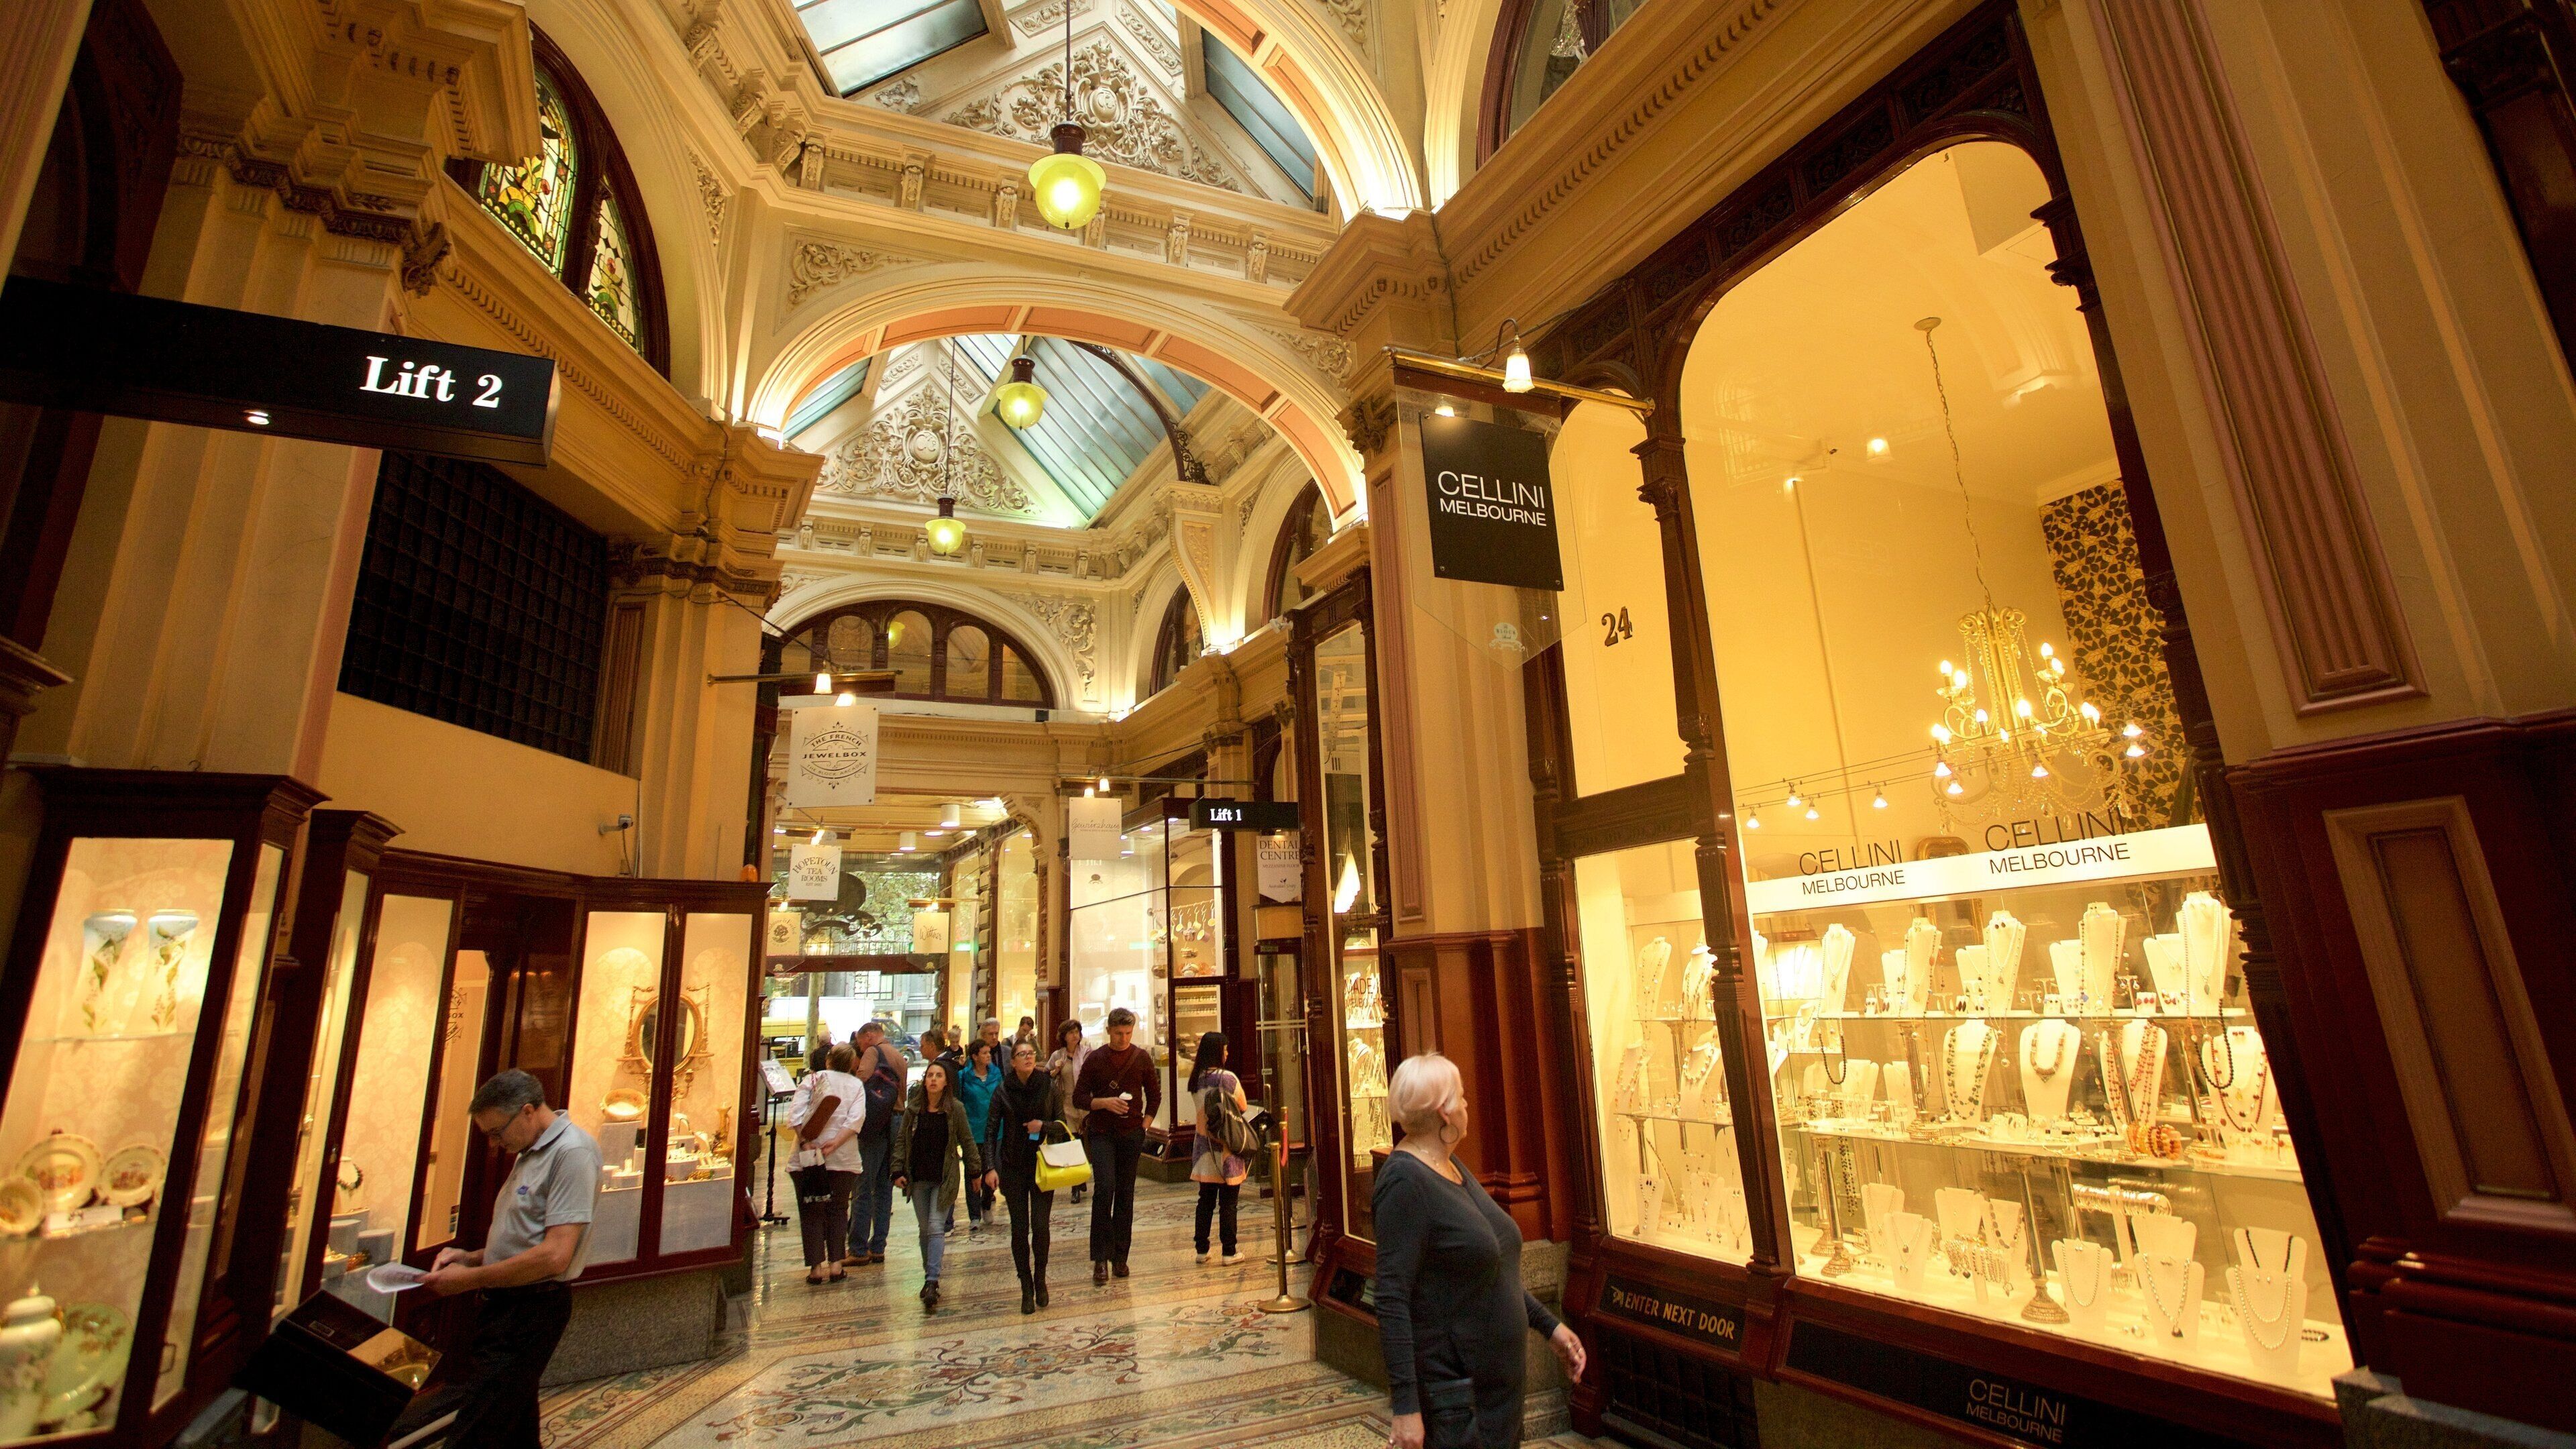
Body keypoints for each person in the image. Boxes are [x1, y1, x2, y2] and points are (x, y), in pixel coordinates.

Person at [1375, 1053, 1585, 1449]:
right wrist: (1405, 1408)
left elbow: (1490, 1271)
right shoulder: (1405, 1181)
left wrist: (1549, 1326)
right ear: (1445, 1111)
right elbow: (1391, 1297)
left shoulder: (1449, 1164)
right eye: (1462, 1097)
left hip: (1495, 1392)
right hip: (1458, 1400)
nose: (1467, 1104)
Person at [387, 1070, 600, 1449]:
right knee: (513, 1427)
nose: (494, 1143)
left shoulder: (572, 1153)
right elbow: (525, 1238)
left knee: (478, 1431)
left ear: (528, 1111)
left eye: (497, 1132)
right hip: (506, 1306)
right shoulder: (531, 1150)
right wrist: (471, 1258)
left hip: (531, 1310)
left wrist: (469, 1279)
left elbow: (555, 1255)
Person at [1071, 1006, 1159, 1283]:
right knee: (1104, 1189)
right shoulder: (1096, 1059)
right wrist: (1103, 1103)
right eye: (1119, 1033)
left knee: (1125, 1193)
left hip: (1131, 1133)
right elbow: (1079, 1097)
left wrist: (1145, 1125)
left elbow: (1154, 1095)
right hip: (1102, 1133)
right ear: (1108, 1030)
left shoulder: (1141, 1058)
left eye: (1128, 1033)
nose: (1123, 1038)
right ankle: (1100, 1258)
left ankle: (1121, 1256)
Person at [890, 1059, 981, 1313]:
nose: (933, 1080)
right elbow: (902, 1141)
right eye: (930, 1075)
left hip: (945, 1178)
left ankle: (932, 1280)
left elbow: (967, 1141)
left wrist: (975, 1170)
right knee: (924, 1229)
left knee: (935, 1226)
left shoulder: (955, 1110)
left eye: (938, 1076)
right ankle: (928, 1275)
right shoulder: (914, 1110)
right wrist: (897, 1170)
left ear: (945, 1083)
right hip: (919, 1178)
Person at [982, 1038, 1059, 1313]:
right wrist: (989, 1167)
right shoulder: (1003, 1090)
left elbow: (1061, 1124)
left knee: (1041, 1225)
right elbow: (991, 1130)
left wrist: (1043, 1125)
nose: (1028, 1057)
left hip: (1043, 1165)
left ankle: (1040, 1278)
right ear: (1013, 1062)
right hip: (1013, 1165)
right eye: (1022, 1054)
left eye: (1031, 1053)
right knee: (1019, 1228)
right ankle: (1026, 1285)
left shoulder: (1048, 1086)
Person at [788, 1044, 865, 1284]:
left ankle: (815, 1269)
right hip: (843, 1157)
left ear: (828, 1060)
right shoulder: (856, 1085)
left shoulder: (812, 1080)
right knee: (838, 1210)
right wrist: (836, 1143)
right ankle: (836, 1265)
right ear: (851, 1063)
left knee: (811, 1210)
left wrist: (806, 1142)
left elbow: (795, 1114)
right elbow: (856, 1120)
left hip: (808, 1157)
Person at [843, 1021, 903, 1267]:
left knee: (863, 1187)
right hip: (896, 1122)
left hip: (875, 1126)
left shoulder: (872, 1052)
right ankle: (878, 1247)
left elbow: (861, 1085)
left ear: (868, 1036)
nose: (859, 1047)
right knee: (884, 1188)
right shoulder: (898, 1054)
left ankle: (858, 1248)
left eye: (859, 1042)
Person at [1187, 1031, 1250, 1266]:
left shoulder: (1196, 1079)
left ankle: (1201, 1250)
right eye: (1224, 1050)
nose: (1227, 1053)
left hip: (1203, 1149)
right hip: (1226, 1149)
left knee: (1205, 1201)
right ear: (1217, 1052)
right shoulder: (1228, 1079)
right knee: (1228, 1202)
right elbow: (1242, 1105)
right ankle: (1229, 1252)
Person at [955, 1037, 1004, 1234]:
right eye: (984, 1053)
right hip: (973, 1131)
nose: (988, 1056)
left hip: (996, 1130)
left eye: (989, 1052)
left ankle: (986, 1202)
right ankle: (974, 1215)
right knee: (973, 1173)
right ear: (975, 1057)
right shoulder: (963, 1077)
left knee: (994, 1169)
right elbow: (959, 1103)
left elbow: (1002, 1097)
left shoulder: (996, 1073)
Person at [1046, 1018, 1090, 1205]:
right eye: (1071, 1032)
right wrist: (1056, 1070)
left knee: (1083, 1144)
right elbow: (1047, 1077)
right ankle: (1075, 1187)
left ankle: (1080, 1176)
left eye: (1077, 1032)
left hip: (1084, 1104)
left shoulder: (1087, 1053)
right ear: (1064, 1036)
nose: (1075, 1036)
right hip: (1066, 1104)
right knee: (1072, 1143)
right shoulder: (1058, 1055)